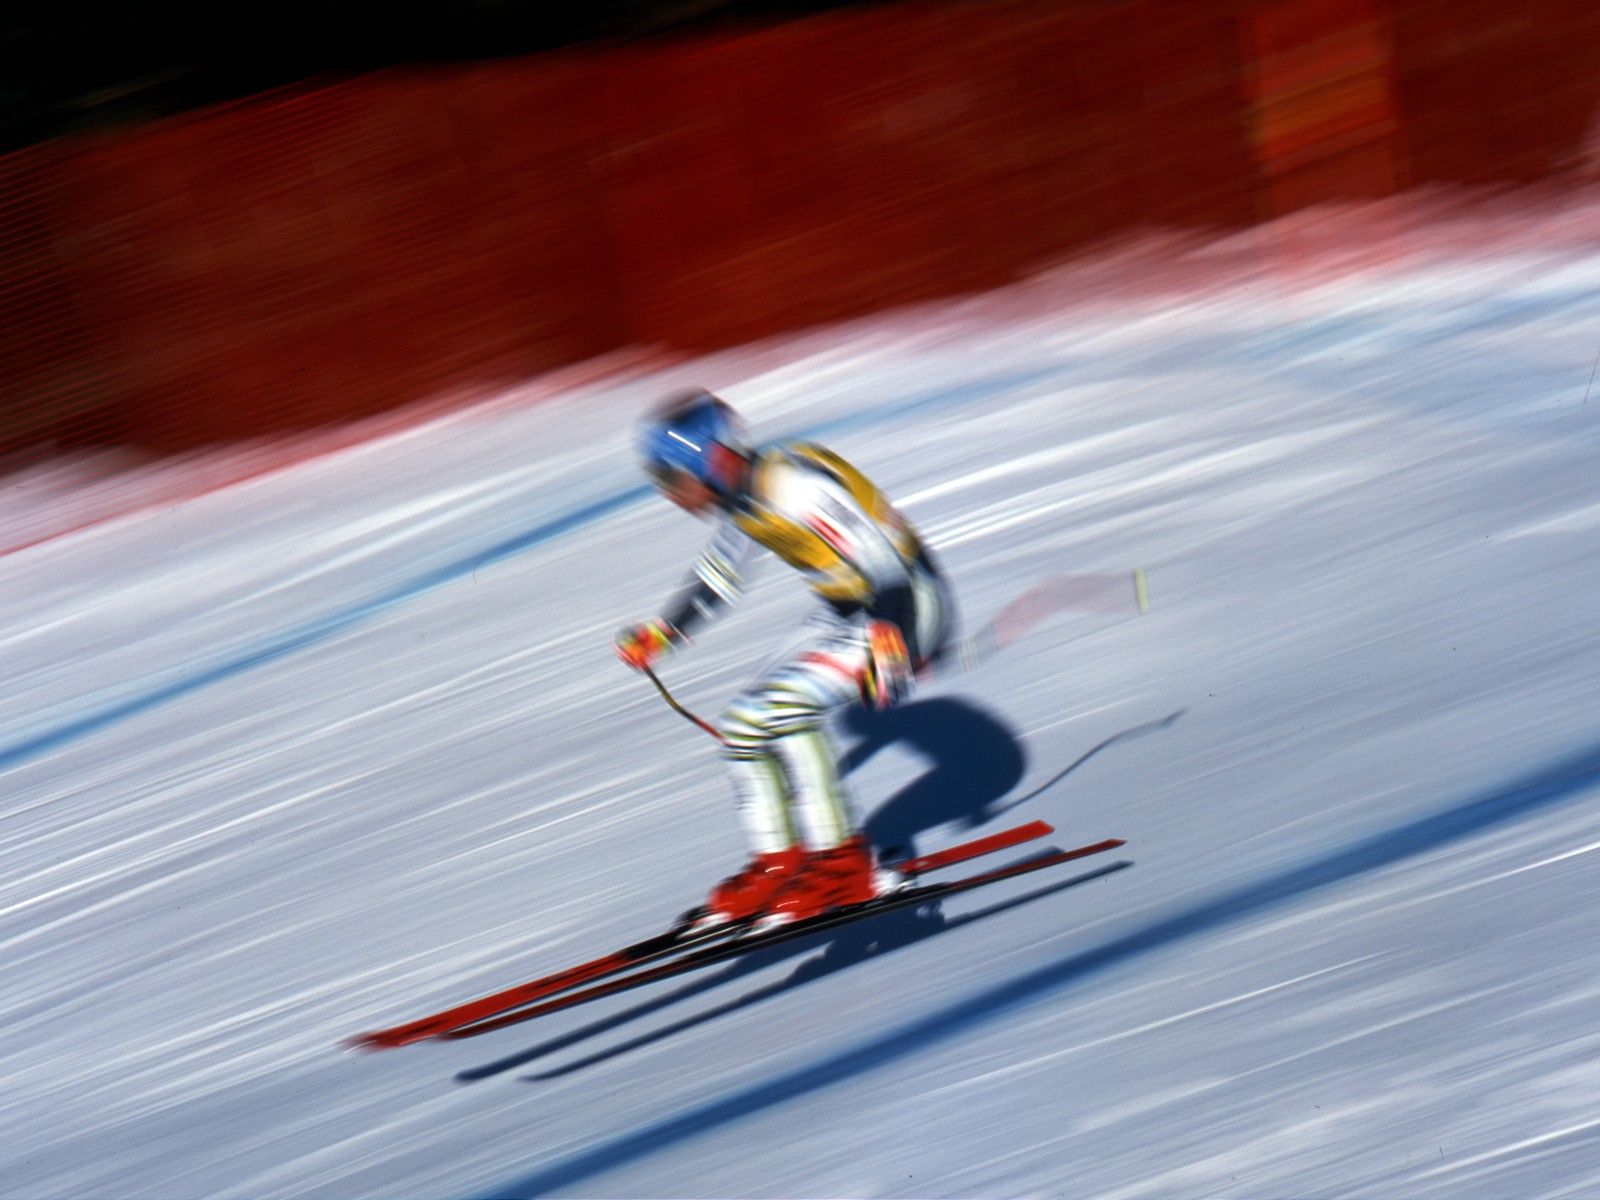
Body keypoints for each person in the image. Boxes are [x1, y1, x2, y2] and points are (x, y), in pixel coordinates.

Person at [616, 389, 952, 929]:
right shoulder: (744, 498)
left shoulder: (792, 486)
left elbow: (886, 566)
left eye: (672, 478)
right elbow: (718, 579)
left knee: (781, 709)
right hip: (850, 612)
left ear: (712, 460)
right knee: (742, 724)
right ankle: (780, 866)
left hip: (906, 606)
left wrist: (892, 638)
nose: (668, 493)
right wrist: (663, 632)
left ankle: (845, 867)